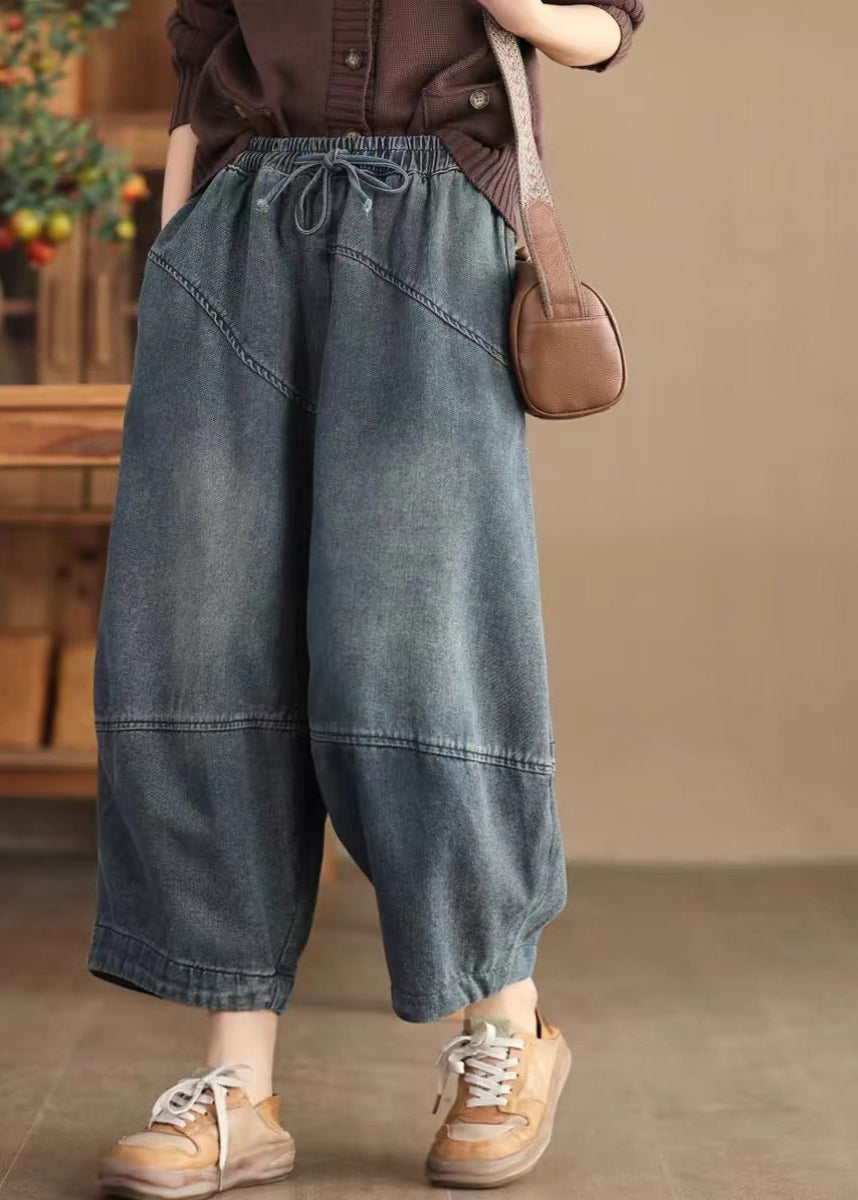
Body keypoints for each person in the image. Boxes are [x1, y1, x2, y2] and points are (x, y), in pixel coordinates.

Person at [90, 0, 644, 1195]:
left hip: (435, 232)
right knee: (203, 642)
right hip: (233, 236)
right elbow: (198, 58)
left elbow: (602, 27)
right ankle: (237, 1084)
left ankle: (505, 1026)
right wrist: (173, 261)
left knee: (413, 643)